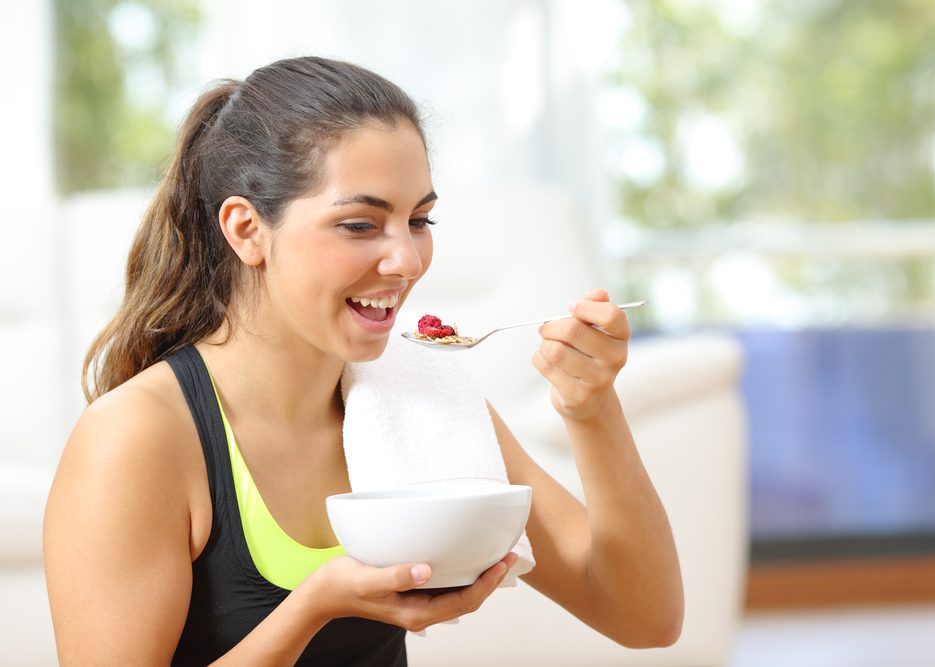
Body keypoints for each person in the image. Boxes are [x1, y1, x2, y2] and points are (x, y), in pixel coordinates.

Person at [43, 56, 683, 665]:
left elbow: (644, 618)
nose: (406, 261)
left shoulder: (422, 402)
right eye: (359, 224)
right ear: (246, 230)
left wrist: (592, 409)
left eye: (420, 220)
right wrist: (312, 608)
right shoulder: (137, 438)